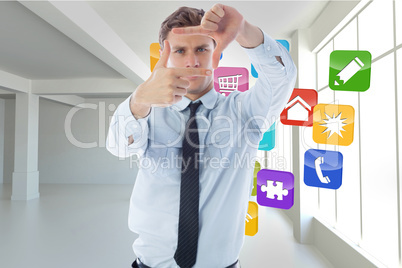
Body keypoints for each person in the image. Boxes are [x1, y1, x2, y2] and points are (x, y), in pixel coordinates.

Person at [106, 3, 296, 268]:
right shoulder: (146, 109)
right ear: (165, 56)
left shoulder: (246, 113)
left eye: (202, 49)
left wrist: (243, 29)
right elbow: (118, 146)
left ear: (216, 55)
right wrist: (138, 99)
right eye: (180, 50)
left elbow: (282, 78)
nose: (192, 61)